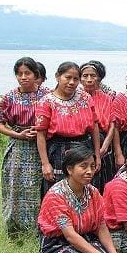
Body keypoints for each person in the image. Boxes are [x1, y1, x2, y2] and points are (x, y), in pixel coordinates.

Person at [37, 144, 127, 253]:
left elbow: (101, 226)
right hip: (58, 242)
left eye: (92, 166)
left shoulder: (93, 192)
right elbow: (69, 235)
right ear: (69, 169)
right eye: (83, 166)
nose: (89, 171)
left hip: (85, 237)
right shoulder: (56, 195)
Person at [0, 57, 48, 234]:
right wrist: (18, 134)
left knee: (40, 186)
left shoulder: (46, 95)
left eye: (28, 73)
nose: (23, 77)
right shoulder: (9, 97)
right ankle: (15, 229)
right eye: (19, 74)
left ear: (36, 75)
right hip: (18, 148)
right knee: (15, 187)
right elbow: (0, 124)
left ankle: (40, 229)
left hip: (43, 147)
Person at [35, 62, 101, 195]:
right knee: (58, 191)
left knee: (85, 189)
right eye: (68, 77)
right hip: (58, 152)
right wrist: (45, 164)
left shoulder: (85, 98)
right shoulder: (46, 102)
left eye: (76, 79)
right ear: (58, 77)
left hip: (84, 149)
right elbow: (40, 134)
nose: (71, 82)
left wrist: (97, 156)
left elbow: (94, 127)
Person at [79, 61, 118, 191]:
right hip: (83, 143)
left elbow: (113, 123)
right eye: (85, 76)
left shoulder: (107, 98)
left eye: (93, 76)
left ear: (99, 78)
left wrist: (105, 145)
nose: (89, 80)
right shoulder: (76, 98)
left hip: (103, 142)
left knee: (104, 180)